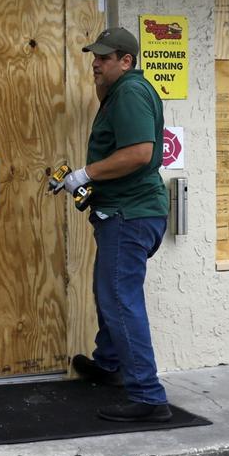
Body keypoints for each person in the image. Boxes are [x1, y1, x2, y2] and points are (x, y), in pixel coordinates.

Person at [50, 28, 172, 422]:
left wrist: (85, 173)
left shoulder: (132, 93)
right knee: (110, 291)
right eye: (94, 57)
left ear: (127, 61)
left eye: (105, 58)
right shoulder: (121, 94)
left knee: (119, 298)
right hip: (127, 212)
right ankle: (110, 363)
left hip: (130, 215)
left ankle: (148, 396)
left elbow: (139, 153)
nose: (95, 63)